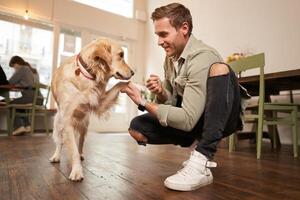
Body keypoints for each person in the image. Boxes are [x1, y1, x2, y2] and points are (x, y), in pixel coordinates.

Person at [121, 3, 243, 191]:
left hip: (220, 121)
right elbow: (172, 102)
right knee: (137, 128)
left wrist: (143, 102)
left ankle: (202, 157)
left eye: (163, 34)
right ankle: (193, 142)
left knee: (221, 69)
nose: (159, 42)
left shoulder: (202, 56)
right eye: (157, 35)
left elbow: (186, 119)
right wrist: (161, 92)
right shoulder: (170, 59)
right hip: (192, 119)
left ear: (184, 28)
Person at [8, 55, 41, 136]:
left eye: (13, 66)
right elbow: (28, 84)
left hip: (30, 97)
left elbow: (11, 82)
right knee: (19, 105)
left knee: (10, 104)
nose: (14, 68)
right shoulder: (32, 70)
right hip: (39, 98)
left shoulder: (23, 69)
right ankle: (27, 125)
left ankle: (18, 127)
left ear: (17, 63)